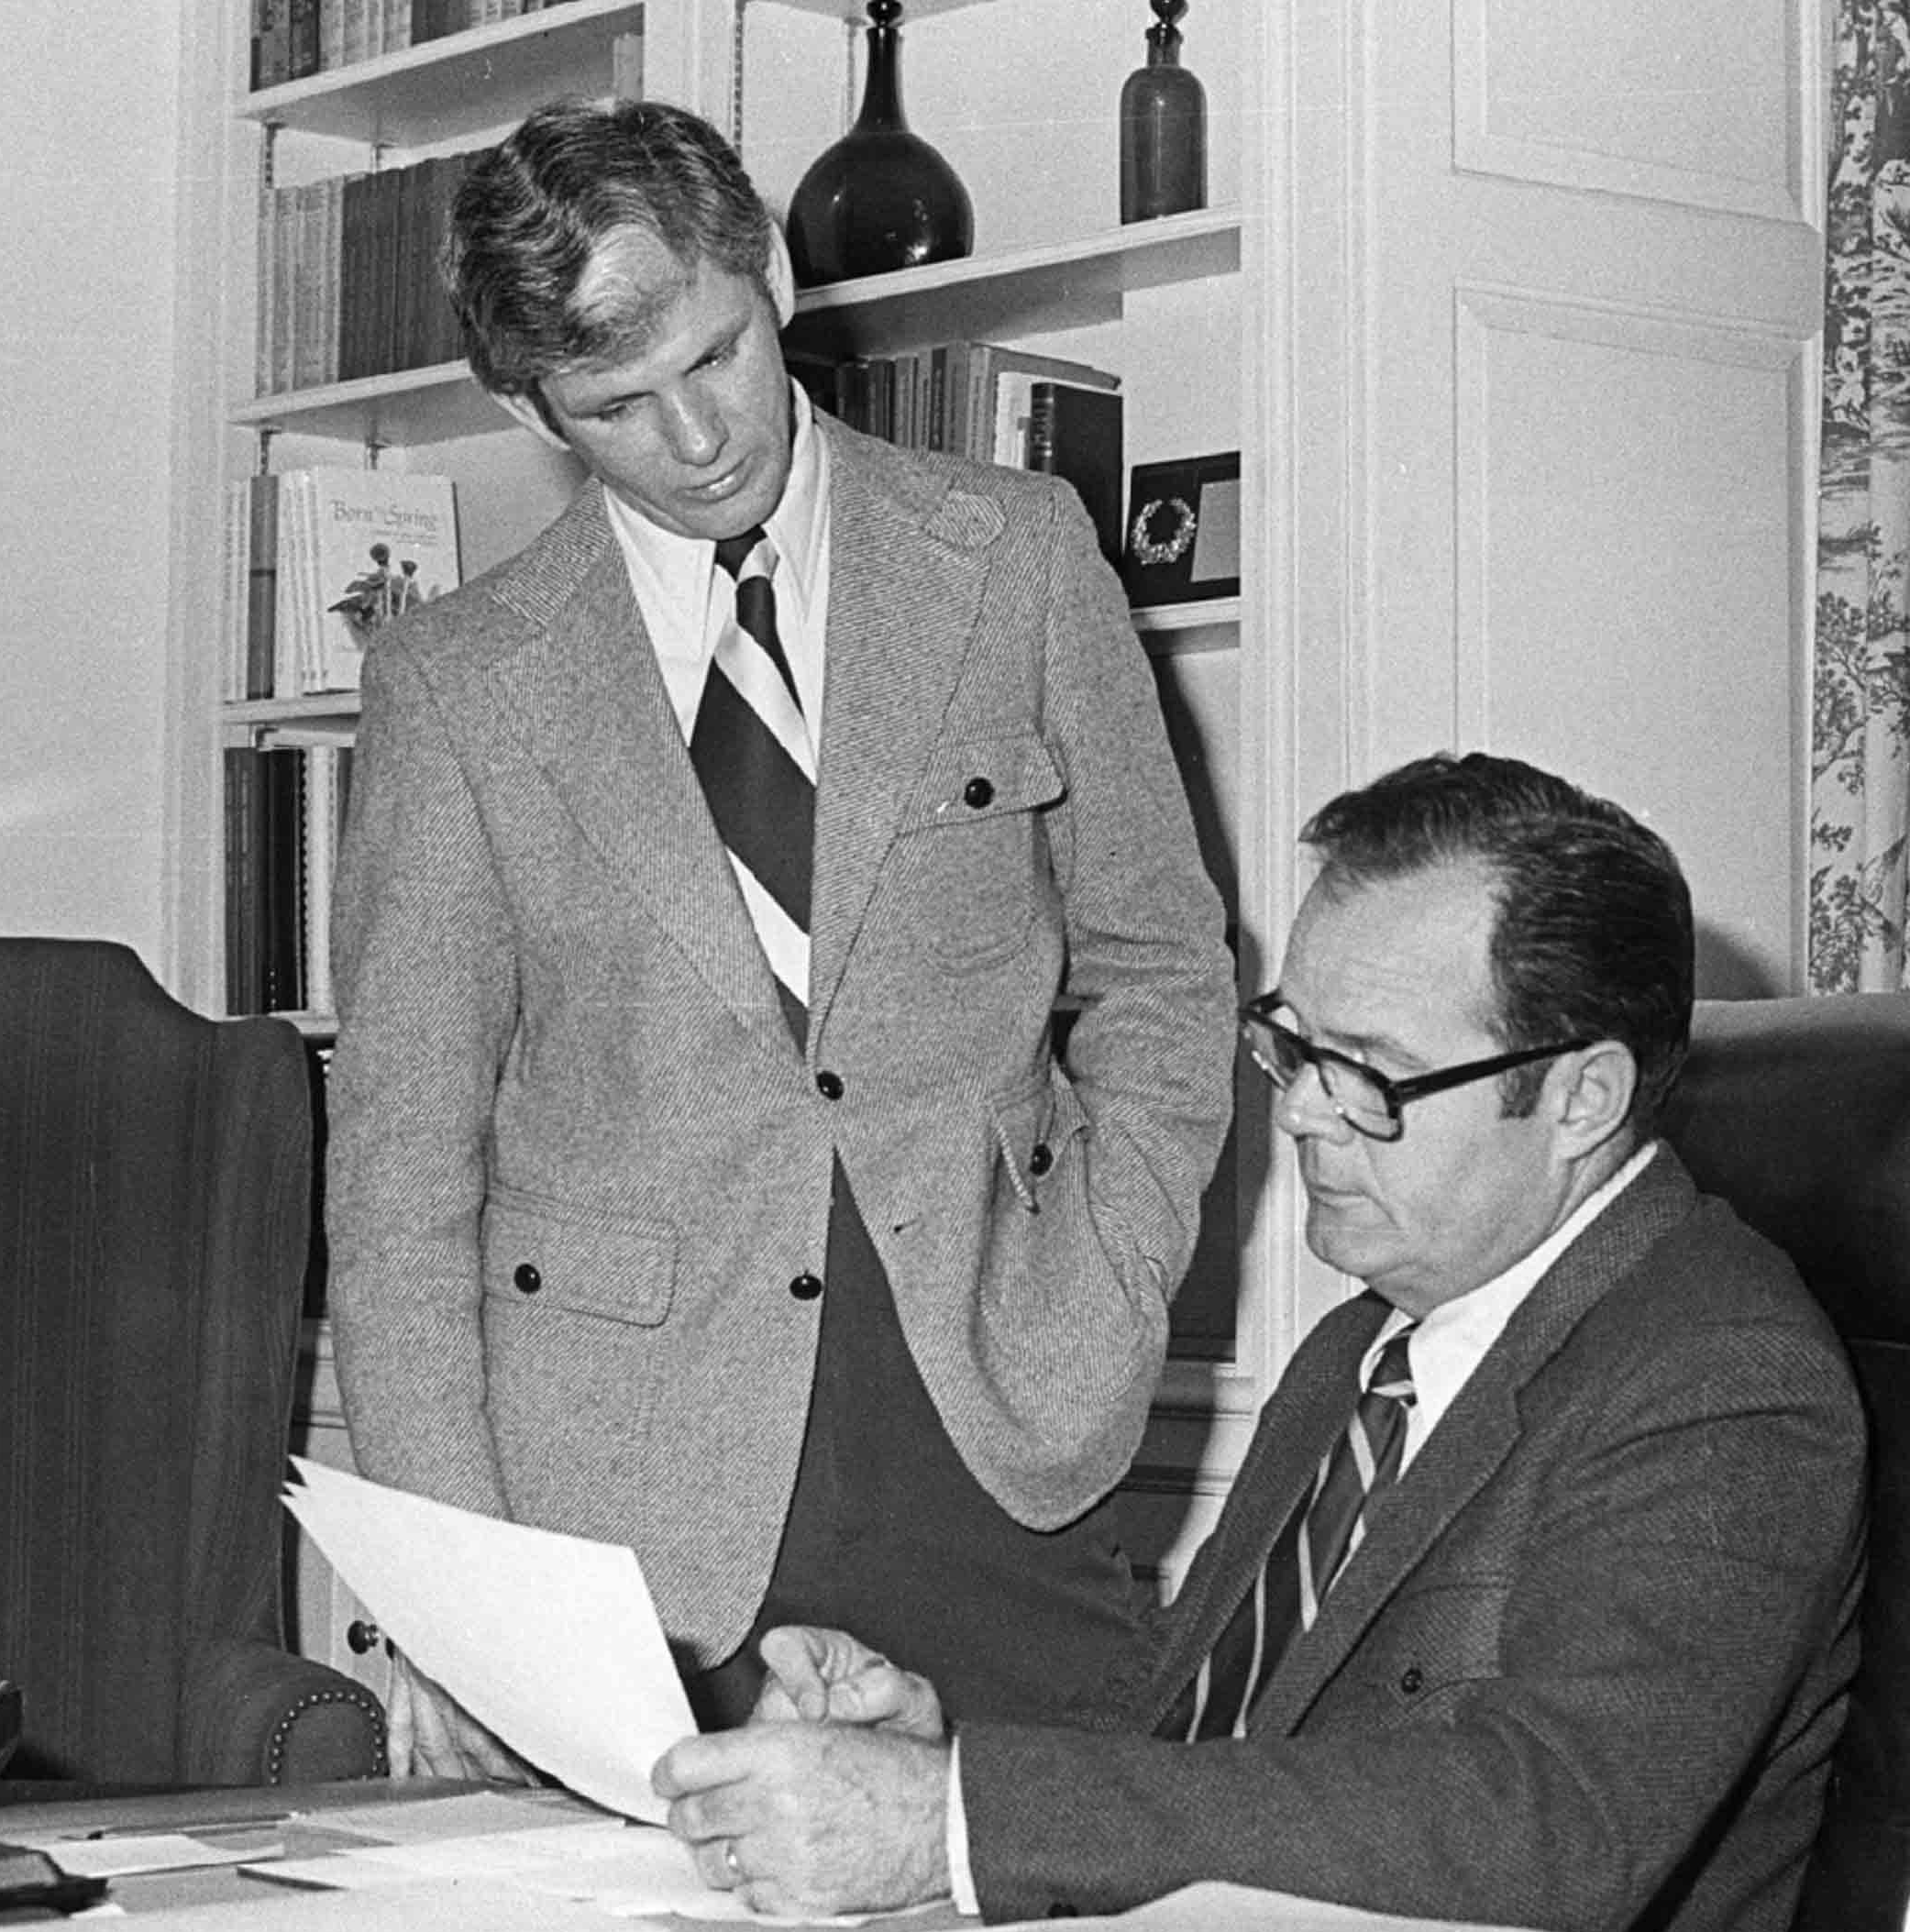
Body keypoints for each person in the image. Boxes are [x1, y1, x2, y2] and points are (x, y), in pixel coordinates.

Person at [324, 96, 1233, 1776]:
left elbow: (1163, 975)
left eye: (715, 355)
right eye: (615, 405)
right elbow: (399, 1182)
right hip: (627, 1517)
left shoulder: (1019, 562)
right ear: (532, 406)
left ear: (773, 279)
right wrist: (460, 1613)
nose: (696, 436)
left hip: (1005, 1424)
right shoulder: (454, 686)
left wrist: (1108, 1278)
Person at [648, 752, 1868, 1932]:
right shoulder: (1366, 1344)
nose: (1296, 1113)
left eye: (1368, 1074)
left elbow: (1538, 1838)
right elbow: (1196, 1739)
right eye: (1291, 1044)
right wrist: (935, 1754)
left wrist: (954, 1820)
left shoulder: (1722, 1380)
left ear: (1582, 1097)